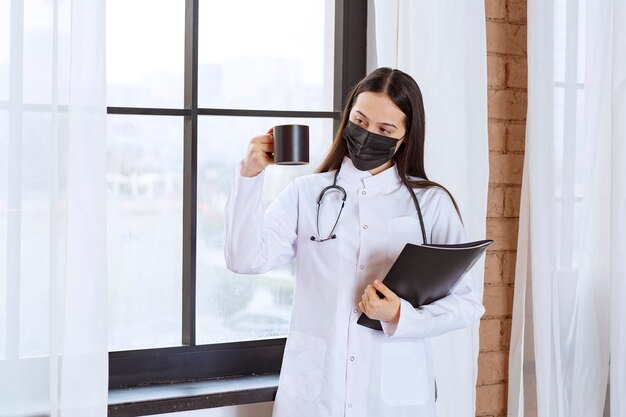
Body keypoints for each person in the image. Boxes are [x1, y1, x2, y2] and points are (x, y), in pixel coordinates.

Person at [224, 67, 485, 417]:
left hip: (395, 394)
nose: (367, 135)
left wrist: (398, 315)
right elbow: (244, 259)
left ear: (406, 136)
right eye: (360, 121)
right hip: (316, 392)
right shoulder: (306, 193)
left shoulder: (431, 203)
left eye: (384, 130)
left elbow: (467, 305)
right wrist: (249, 176)